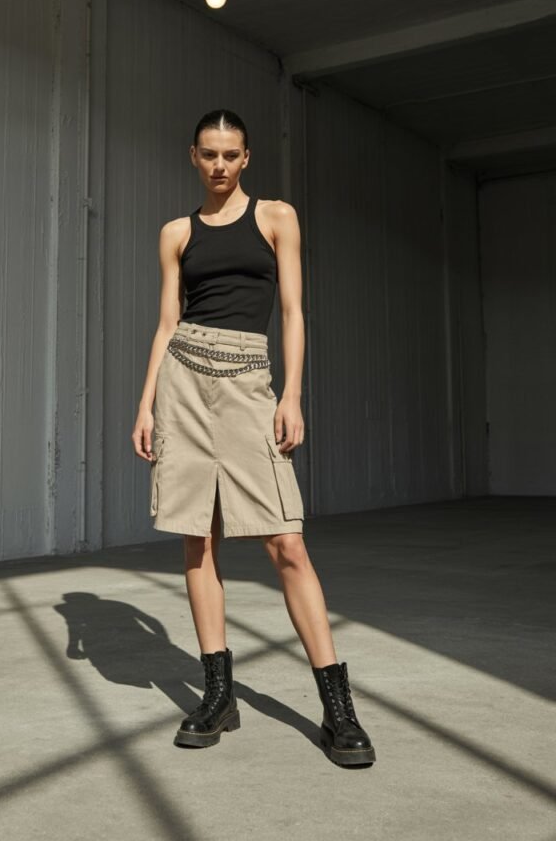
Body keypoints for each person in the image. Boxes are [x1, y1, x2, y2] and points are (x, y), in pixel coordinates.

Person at [132, 109, 375, 767]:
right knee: (197, 537)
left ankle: (338, 709)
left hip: (248, 383)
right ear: (193, 156)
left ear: (246, 159)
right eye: (208, 154)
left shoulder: (275, 217)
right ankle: (218, 696)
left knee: (286, 542)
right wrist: (146, 405)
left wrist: (291, 394)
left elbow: (292, 312)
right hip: (183, 381)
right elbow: (166, 324)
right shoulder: (176, 233)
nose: (219, 165)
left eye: (230, 154)